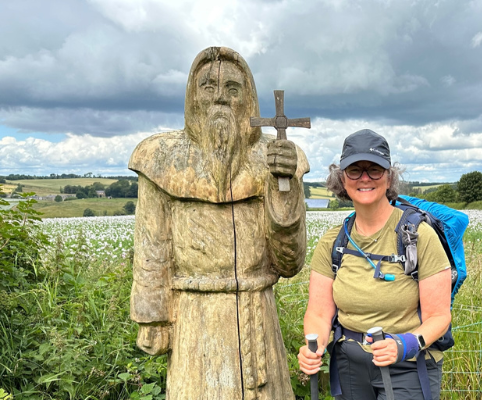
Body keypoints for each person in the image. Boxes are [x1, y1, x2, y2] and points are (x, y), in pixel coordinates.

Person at [128, 47, 308, 400]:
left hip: (257, 315)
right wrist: (152, 317)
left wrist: (283, 190)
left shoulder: (274, 159)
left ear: (249, 100)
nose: (220, 98)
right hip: (194, 318)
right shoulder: (162, 159)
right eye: (208, 87)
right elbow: (152, 244)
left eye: (233, 89)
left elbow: (289, 263)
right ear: (193, 96)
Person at [297, 129, 452, 400]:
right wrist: (315, 345)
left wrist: (403, 346)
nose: (365, 178)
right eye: (355, 170)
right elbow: (319, 314)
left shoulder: (417, 236)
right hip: (349, 367)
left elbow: (439, 317)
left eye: (375, 169)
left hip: (408, 367)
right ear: (341, 178)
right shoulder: (333, 242)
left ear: (389, 176)